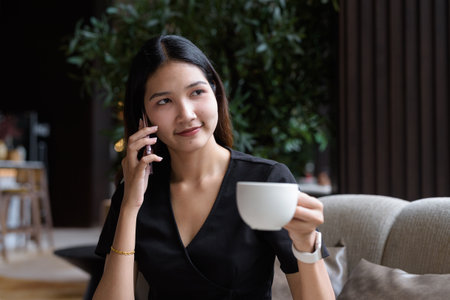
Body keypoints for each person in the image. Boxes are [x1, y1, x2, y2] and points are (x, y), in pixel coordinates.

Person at [93, 35, 334, 300]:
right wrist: (129, 208)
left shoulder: (266, 181)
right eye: (164, 101)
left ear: (216, 92)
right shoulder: (136, 192)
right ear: (143, 116)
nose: (186, 114)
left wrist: (306, 243)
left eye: (196, 92)